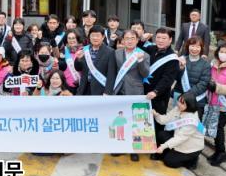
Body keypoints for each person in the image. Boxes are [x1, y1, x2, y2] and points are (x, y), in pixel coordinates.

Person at [142, 28, 181, 155]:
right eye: (158, 37)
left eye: (164, 38)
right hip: (143, 93)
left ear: (170, 40)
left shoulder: (172, 58)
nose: (160, 40)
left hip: (159, 96)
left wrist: (156, 91)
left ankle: (156, 150)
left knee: (157, 122)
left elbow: (168, 79)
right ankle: (143, 145)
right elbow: (137, 51)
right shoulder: (150, 49)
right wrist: (142, 40)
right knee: (142, 120)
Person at [113, 29, 150, 161]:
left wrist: (140, 62)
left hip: (135, 91)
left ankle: (135, 149)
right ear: (122, 40)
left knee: (136, 122)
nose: (129, 41)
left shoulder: (144, 55)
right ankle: (120, 147)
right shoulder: (116, 53)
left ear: (137, 40)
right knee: (120, 121)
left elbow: (145, 74)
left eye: (132, 38)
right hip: (119, 91)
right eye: (127, 38)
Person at [153, 92, 204, 169]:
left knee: (169, 161)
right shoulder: (178, 109)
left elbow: (179, 138)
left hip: (191, 147)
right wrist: (156, 114)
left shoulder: (192, 120)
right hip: (179, 137)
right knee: (161, 134)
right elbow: (165, 119)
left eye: (182, 103)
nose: (179, 104)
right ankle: (171, 152)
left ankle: (192, 160)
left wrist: (163, 147)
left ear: (189, 105)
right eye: (179, 101)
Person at [74, 25, 116, 96]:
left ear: (103, 37)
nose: (95, 38)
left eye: (97, 36)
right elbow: (78, 68)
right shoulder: (84, 50)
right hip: (84, 88)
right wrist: (78, 59)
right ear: (89, 37)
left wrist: (107, 92)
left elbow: (111, 74)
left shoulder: (110, 52)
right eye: (93, 35)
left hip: (100, 89)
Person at [174, 37, 211, 118]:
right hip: (180, 97)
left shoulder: (206, 65)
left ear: (201, 48)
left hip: (197, 100)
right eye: (192, 46)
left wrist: (187, 96)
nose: (194, 49)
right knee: (177, 121)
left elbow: (203, 84)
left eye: (198, 46)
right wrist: (181, 69)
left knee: (193, 124)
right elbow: (175, 78)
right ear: (188, 46)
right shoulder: (181, 60)